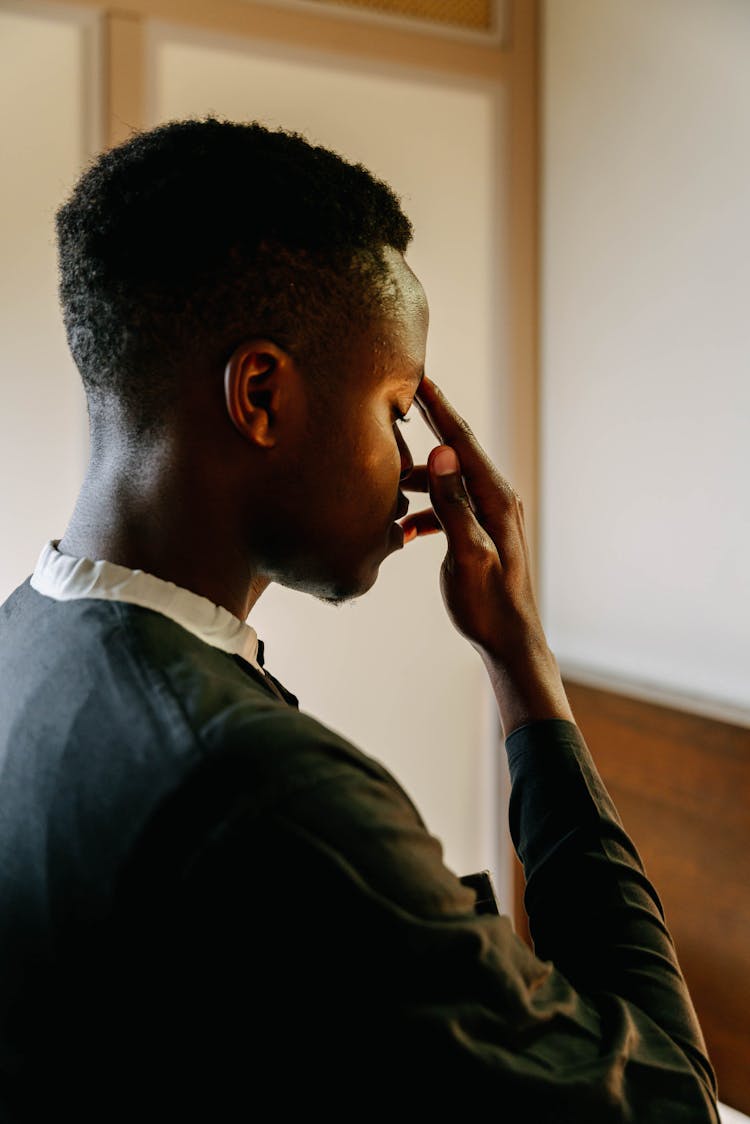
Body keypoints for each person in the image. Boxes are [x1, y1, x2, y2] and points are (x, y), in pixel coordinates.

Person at [0, 118, 718, 1121]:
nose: (424, 462)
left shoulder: (22, 647)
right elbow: (669, 1097)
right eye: (393, 406)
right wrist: (526, 667)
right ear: (261, 394)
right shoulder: (259, 786)